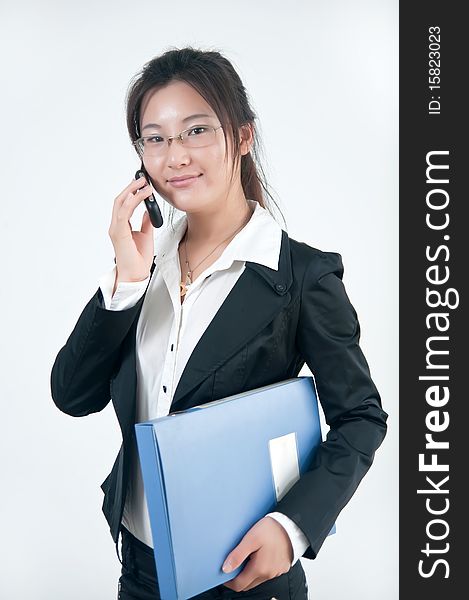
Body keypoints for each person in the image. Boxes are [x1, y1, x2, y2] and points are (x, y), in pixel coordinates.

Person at [50, 46, 388, 600]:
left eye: (196, 130)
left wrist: (292, 527)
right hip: (138, 568)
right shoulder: (145, 263)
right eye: (154, 137)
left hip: (243, 576)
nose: (174, 156)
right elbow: (72, 394)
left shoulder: (300, 275)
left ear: (244, 135)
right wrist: (127, 281)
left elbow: (361, 417)